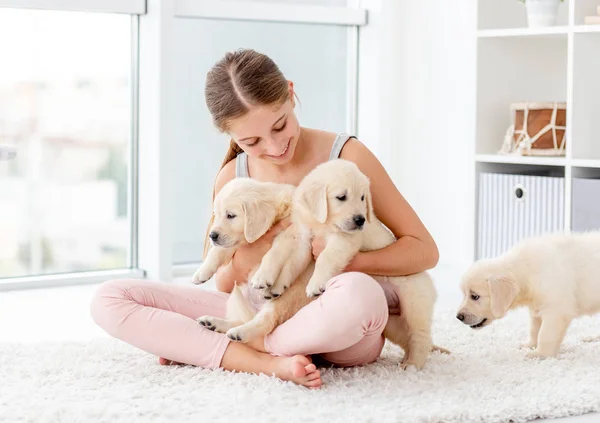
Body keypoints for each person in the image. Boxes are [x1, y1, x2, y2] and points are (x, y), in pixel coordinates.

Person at [90, 49, 439, 389]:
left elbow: (424, 251)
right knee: (110, 297)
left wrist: (343, 262)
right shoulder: (234, 176)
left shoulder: (347, 156)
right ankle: (268, 359)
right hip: (255, 309)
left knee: (360, 293)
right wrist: (253, 256)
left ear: (290, 93)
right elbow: (225, 284)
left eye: (280, 125)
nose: (274, 147)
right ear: (230, 136)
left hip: (335, 324)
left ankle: (237, 350)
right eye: (252, 140)